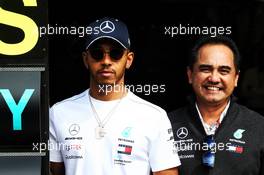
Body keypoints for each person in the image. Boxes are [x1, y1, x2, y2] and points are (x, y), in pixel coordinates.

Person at [49, 17, 181, 175]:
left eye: (115, 53)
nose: (106, 61)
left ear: (129, 59)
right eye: (97, 54)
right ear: (86, 59)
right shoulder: (59, 112)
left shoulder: (154, 116)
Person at [169, 35, 264, 175]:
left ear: (236, 78)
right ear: (190, 74)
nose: (214, 78)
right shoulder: (166, 124)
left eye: (224, 71)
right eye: (205, 69)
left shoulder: (259, 127)